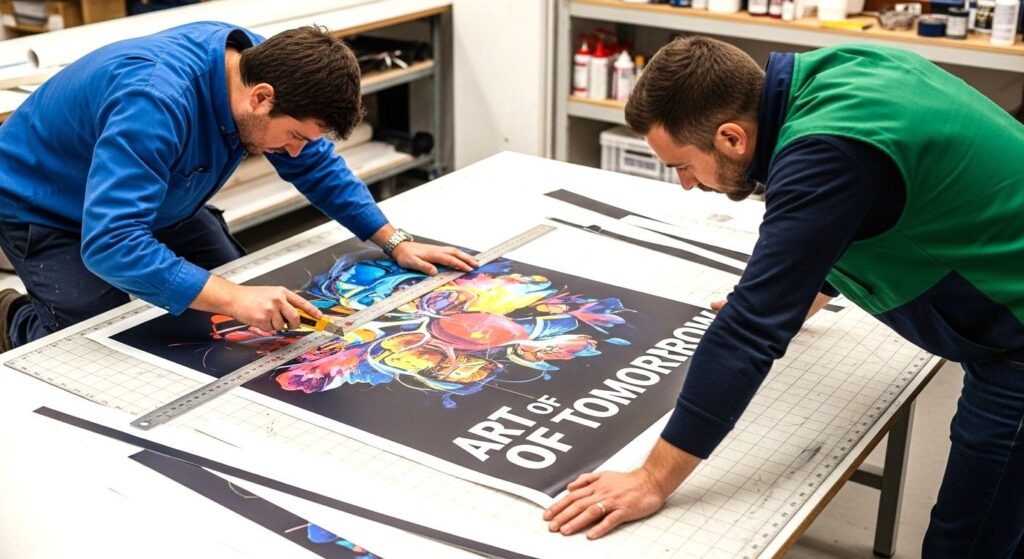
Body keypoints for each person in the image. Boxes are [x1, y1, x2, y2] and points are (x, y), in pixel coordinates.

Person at [543, 36, 1024, 557]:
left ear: (730, 138)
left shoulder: (825, 152)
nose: (685, 184)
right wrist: (794, 295)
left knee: (968, 542)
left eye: (682, 165)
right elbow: (866, 201)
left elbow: (748, 333)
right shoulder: (845, 70)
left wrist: (653, 479)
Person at [0, 23, 476, 352]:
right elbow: (111, 244)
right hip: (46, 205)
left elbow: (315, 166)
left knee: (236, 303)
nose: (295, 152)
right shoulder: (154, 101)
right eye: (293, 137)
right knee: (89, 341)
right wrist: (230, 296)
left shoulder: (262, 66)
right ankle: (11, 316)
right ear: (262, 98)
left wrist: (392, 239)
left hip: (162, 194)